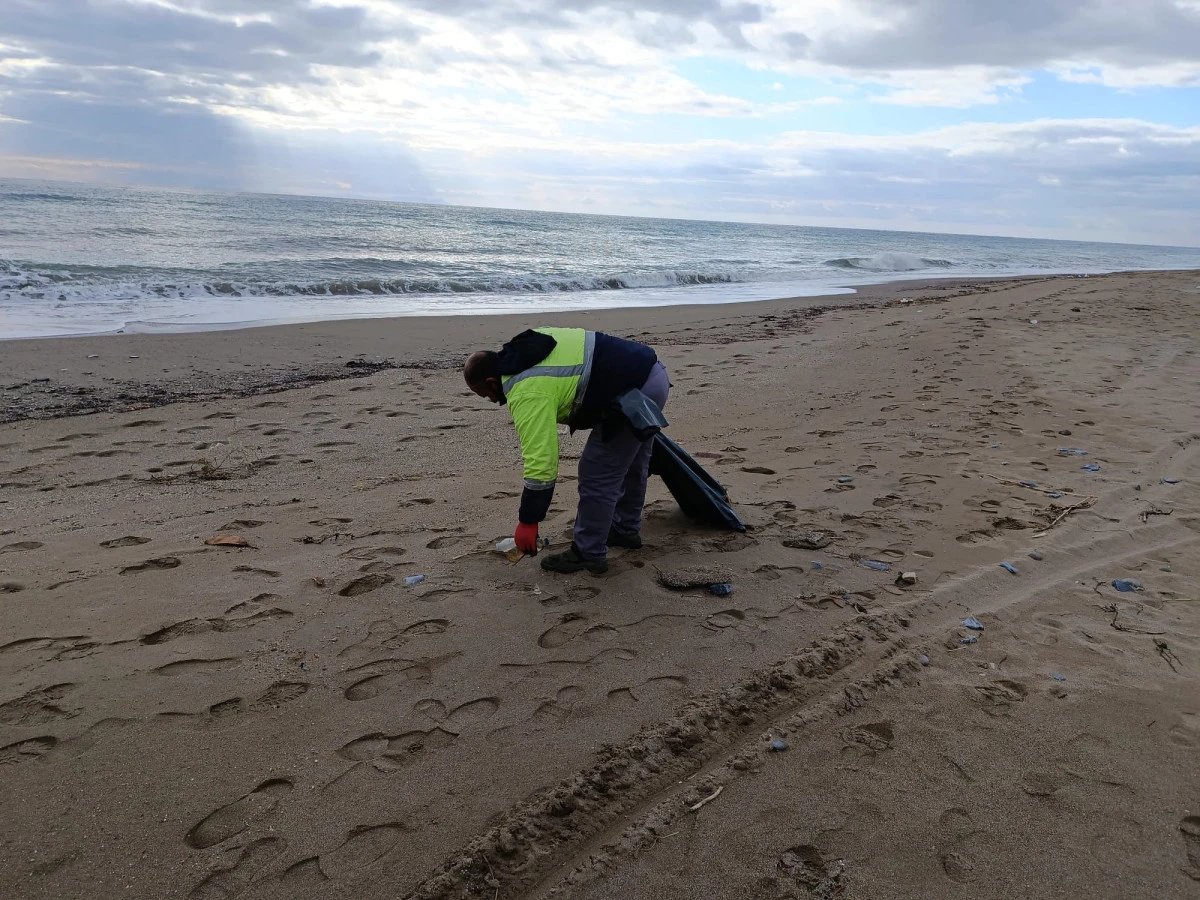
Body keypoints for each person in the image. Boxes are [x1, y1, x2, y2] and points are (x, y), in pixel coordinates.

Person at [463, 326, 669, 574]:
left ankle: (589, 553)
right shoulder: (524, 349)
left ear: (491, 382)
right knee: (631, 463)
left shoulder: (525, 390)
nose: (492, 401)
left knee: (597, 472)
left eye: (485, 395)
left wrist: (528, 521)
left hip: (633, 393)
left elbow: (541, 461)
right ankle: (625, 529)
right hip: (651, 374)